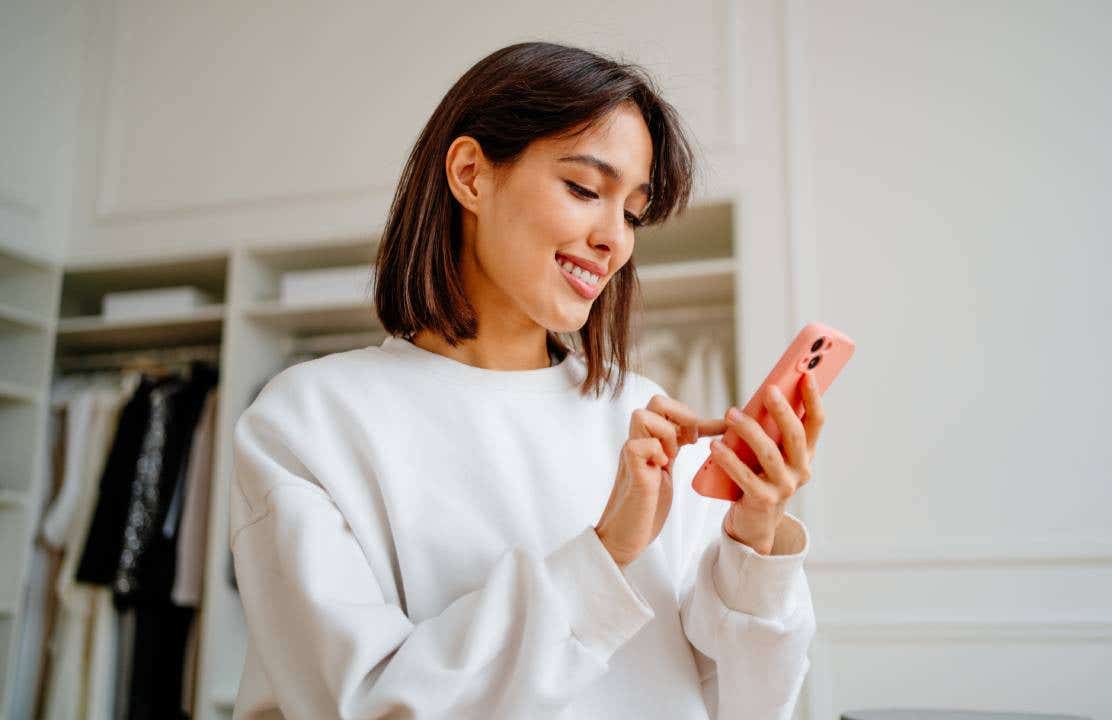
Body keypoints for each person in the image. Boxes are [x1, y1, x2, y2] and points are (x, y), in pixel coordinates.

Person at [229, 41, 824, 719]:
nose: (614, 240)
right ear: (471, 174)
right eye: (583, 189)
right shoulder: (309, 421)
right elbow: (369, 703)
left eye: (631, 212)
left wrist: (752, 540)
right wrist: (606, 556)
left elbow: (752, 703)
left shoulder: (644, 416)